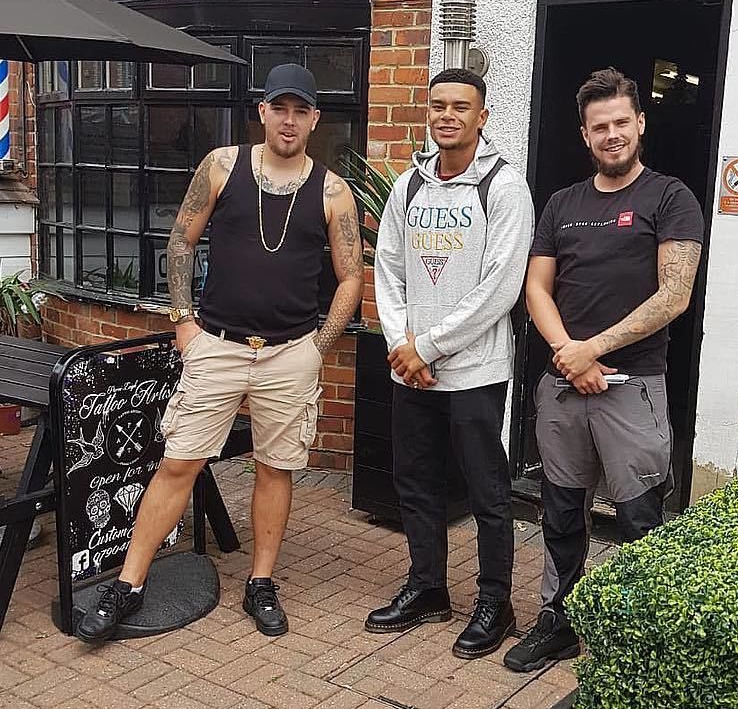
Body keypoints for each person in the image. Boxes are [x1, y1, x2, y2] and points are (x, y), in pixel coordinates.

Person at [77, 63, 364, 642]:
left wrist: (319, 345)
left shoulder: (333, 191)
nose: (289, 120)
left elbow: (352, 277)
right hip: (219, 345)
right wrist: (182, 320)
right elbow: (181, 238)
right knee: (180, 460)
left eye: (300, 110)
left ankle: (260, 582)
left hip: (291, 351)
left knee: (275, 468)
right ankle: (129, 583)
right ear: (262, 112)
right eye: (279, 108)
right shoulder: (222, 165)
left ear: (314, 119)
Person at [503, 67, 704, 673]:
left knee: (642, 516)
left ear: (640, 124)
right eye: (599, 127)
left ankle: (642, 643)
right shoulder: (563, 203)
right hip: (563, 383)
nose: (611, 134)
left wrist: (595, 350)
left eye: (621, 122)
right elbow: (537, 288)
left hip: (632, 385)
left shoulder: (670, 198)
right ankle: (558, 621)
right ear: (584, 134)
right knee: (562, 510)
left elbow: (675, 296)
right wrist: (570, 351)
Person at [367, 68, 534, 659]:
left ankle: (496, 601)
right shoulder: (409, 187)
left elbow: (500, 288)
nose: (447, 116)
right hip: (410, 369)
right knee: (415, 484)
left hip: (473, 374)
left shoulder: (505, 188)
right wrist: (401, 343)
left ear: (482, 117)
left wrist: (428, 347)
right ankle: (428, 588)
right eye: (438, 105)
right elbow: (387, 269)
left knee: (488, 493)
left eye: (461, 107)